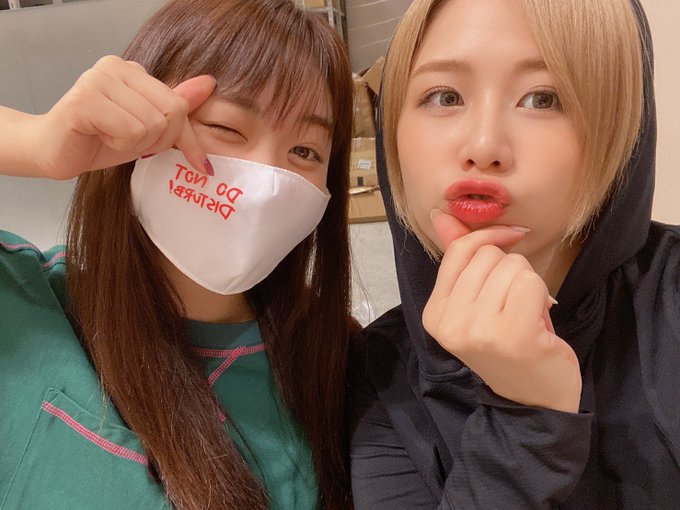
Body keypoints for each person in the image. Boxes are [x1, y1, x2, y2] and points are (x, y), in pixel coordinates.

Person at [0, 0, 355, 509]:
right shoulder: (26, 306)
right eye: (228, 128)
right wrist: (34, 144)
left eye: (305, 152)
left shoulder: (334, 361)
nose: (267, 180)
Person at [349, 0, 680, 507]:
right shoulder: (376, 372)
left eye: (542, 99)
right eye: (444, 96)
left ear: (620, 127)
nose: (483, 146)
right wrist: (528, 417)